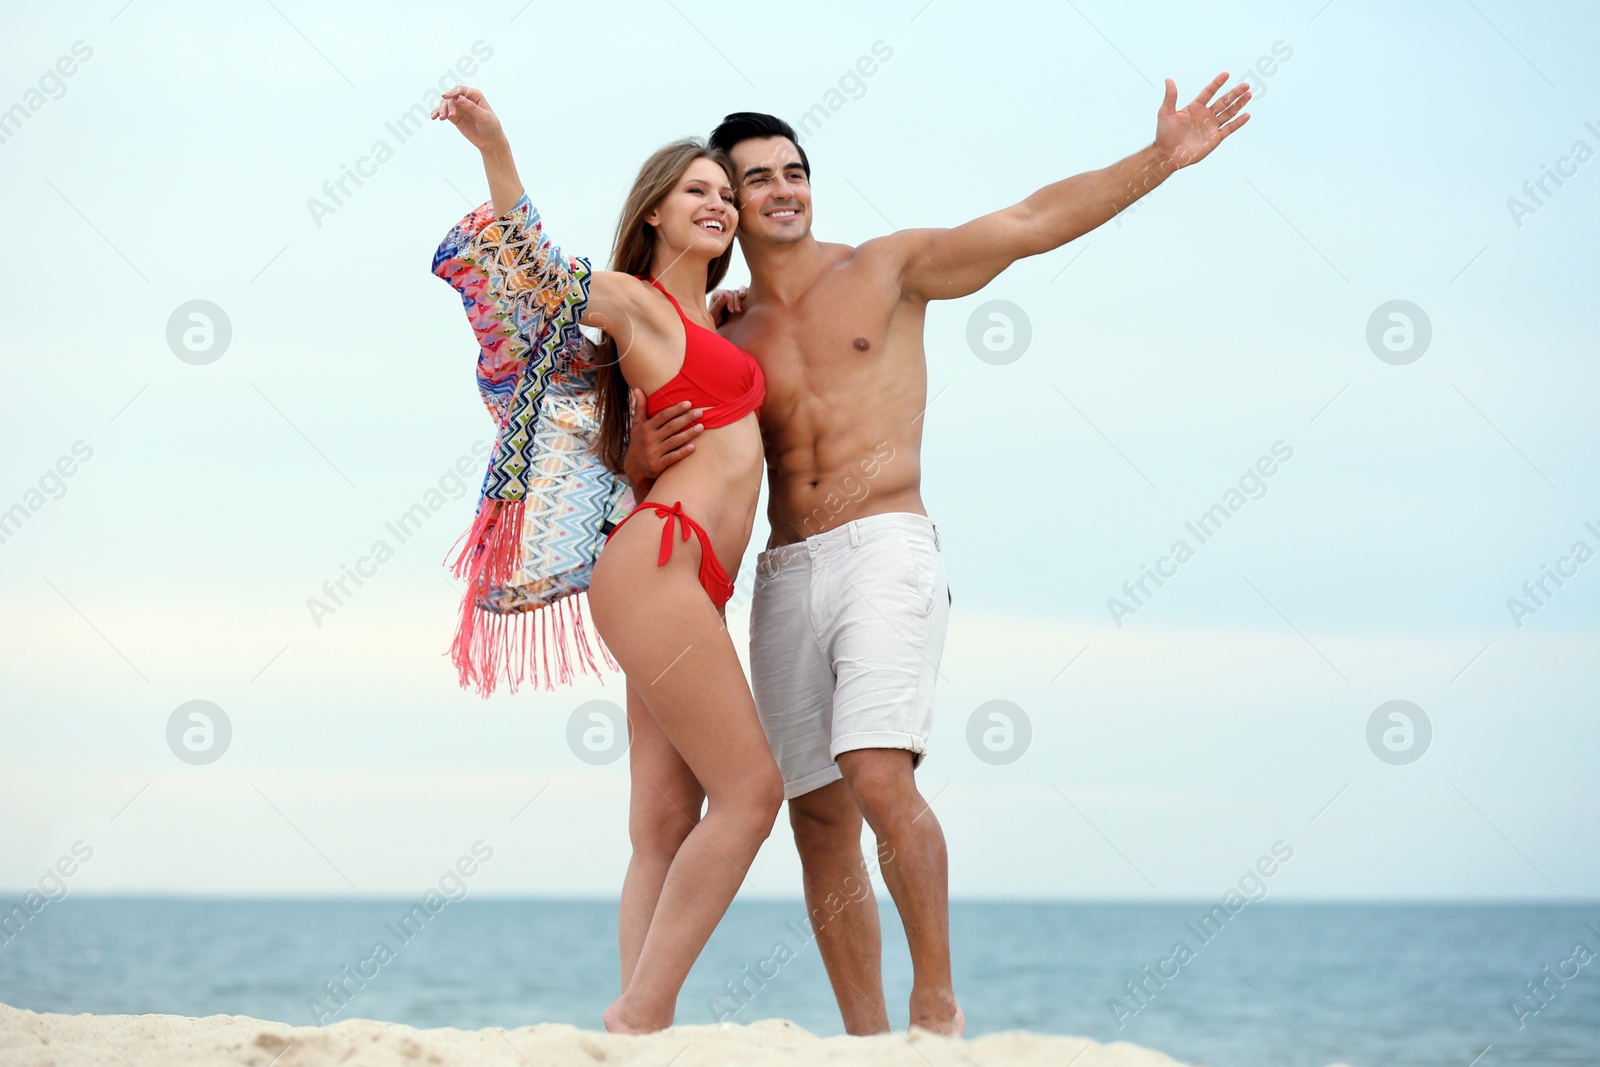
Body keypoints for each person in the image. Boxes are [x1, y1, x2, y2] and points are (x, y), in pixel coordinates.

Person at [626, 73, 1253, 1036]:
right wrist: (637, 451)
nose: (783, 189)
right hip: (785, 571)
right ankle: (869, 1041)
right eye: (756, 179)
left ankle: (937, 1004)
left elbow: (1029, 219)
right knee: (817, 816)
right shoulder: (725, 328)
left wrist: (1160, 161)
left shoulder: (887, 266)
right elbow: (630, 423)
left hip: (886, 546)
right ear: (727, 200)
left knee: (879, 773)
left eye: (796, 171)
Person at [432, 85, 784, 1034]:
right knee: (754, 793)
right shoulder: (634, 303)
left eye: (727, 194)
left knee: (664, 823)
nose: (720, 204)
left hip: (689, 578)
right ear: (655, 211)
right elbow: (540, 270)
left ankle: (639, 1037)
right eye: (698, 191)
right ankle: (641, 1013)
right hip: (660, 565)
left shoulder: (712, 313)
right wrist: (496, 147)